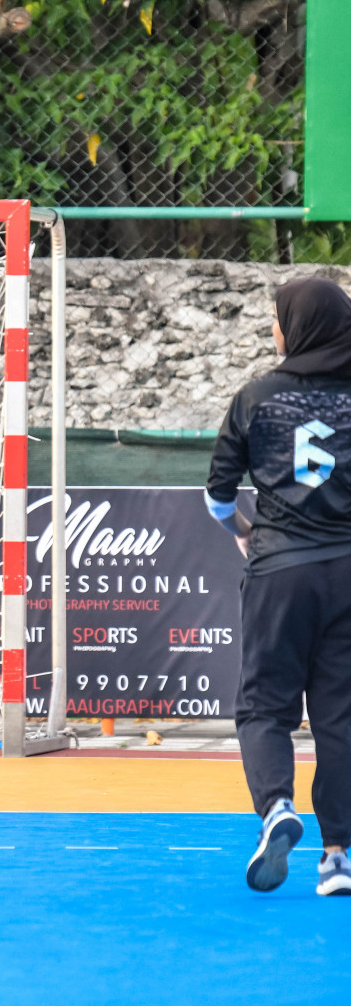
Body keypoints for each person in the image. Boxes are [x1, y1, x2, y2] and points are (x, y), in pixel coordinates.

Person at [205, 275, 351, 897]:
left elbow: (217, 493)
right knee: (341, 715)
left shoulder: (256, 396)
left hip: (279, 570)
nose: (273, 328)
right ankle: (338, 857)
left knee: (265, 706)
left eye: (276, 319)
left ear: (295, 326)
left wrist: (243, 529)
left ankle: (277, 809)